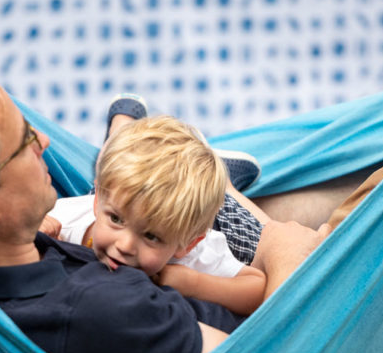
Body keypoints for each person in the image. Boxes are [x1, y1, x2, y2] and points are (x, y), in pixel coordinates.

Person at [0, 55, 343, 353]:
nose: (44, 140)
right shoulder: (111, 313)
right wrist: (282, 247)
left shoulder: (9, 253)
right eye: (22, 140)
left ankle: (215, 180)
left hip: (201, 236)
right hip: (286, 290)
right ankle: (223, 186)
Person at [43, 115, 267, 315]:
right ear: (97, 202)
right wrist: (45, 236)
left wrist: (196, 284)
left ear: (187, 245)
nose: (125, 246)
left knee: (252, 230)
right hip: (131, 198)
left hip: (222, 222)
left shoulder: (195, 254)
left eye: (151, 236)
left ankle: (226, 182)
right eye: (116, 220)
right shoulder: (67, 221)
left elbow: (256, 288)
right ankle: (124, 123)